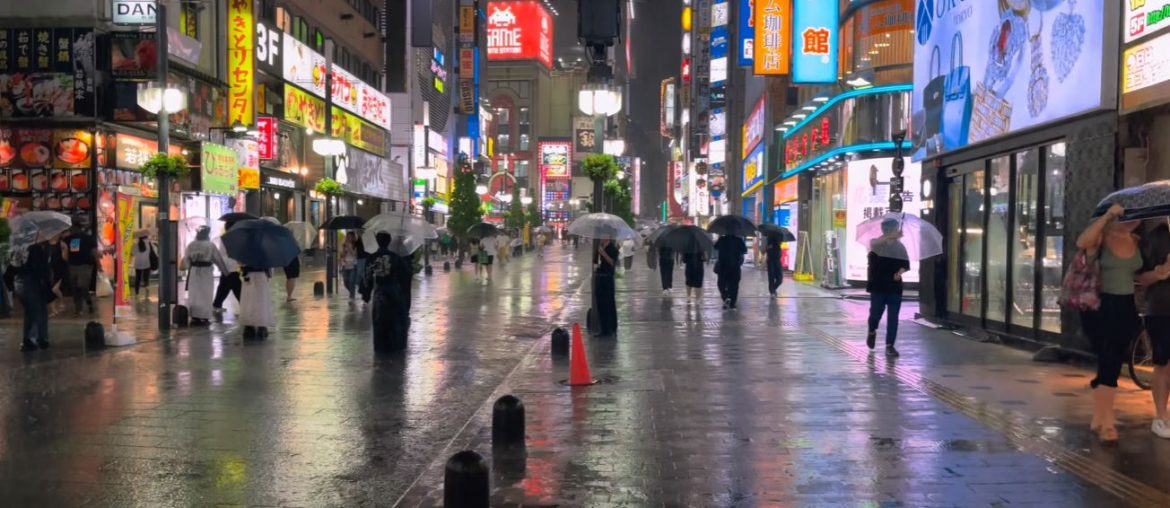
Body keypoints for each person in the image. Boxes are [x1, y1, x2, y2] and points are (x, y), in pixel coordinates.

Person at [1076, 204, 1143, 443]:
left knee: (1113, 361)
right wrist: (1107, 216)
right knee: (1109, 359)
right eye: (1130, 216)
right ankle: (1107, 422)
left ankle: (1099, 417)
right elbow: (1082, 242)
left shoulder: (1136, 240)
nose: (1134, 221)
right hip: (1101, 305)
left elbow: (1138, 275)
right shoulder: (1101, 237)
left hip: (1126, 306)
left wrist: (1159, 273)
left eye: (1138, 218)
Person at [1139, 222, 1170, 439]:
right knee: (1163, 363)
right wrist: (1160, 272)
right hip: (1162, 310)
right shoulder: (1158, 236)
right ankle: (1160, 416)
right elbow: (1141, 278)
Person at [866, 219, 911, 357]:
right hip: (878, 286)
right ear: (887, 230)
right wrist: (889, 237)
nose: (897, 231)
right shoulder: (877, 244)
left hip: (894, 287)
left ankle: (890, 345)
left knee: (893, 317)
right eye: (894, 229)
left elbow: (906, 264)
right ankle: (872, 330)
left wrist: (900, 273)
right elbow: (873, 244)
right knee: (875, 314)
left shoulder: (900, 247)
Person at [363, 231, 412, 352]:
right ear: (389, 241)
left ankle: (380, 345)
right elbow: (406, 275)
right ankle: (397, 344)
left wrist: (367, 293)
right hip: (393, 290)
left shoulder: (372, 257)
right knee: (399, 318)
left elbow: (367, 277)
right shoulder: (396, 258)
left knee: (377, 320)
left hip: (379, 291)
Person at [181, 226, 228, 325]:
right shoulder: (210, 245)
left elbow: (186, 259)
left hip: (193, 271)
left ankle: (195, 316)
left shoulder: (191, 245)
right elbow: (217, 259)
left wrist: (189, 266)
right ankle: (204, 317)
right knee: (206, 293)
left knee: (194, 294)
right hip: (206, 272)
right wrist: (224, 271)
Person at [12, 239, 53, 351]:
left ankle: (35, 338)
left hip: (19, 281)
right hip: (32, 281)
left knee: (32, 310)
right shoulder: (35, 248)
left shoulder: (17, 245)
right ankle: (34, 339)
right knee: (36, 310)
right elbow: (39, 268)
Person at [64, 228, 99, 316]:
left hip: (85, 265)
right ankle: (78, 309)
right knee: (75, 288)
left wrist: (98, 263)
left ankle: (88, 303)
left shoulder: (87, 238)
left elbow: (94, 251)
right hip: (73, 265)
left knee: (82, 285)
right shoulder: (69, 239)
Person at [239, 263, 274, 338]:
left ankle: (249, 325)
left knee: (248, 301)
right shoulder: (265, 251)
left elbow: (240, 263)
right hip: (261, 275)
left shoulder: (244, 252)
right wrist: (269, 275)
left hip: (248, 276)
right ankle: (261, 325)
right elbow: (269, 266)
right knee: (261, 301)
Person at [213, 222, 242, 312]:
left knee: (225, 286)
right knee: (236, 286)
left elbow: (222, 252)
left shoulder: (224, 237)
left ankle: (217, 304)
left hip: (226, 264)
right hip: (231, 265)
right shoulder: (234, 237)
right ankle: (244, 305)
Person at [594, 238, 619, 336]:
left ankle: (610, 328)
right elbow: (595, 261)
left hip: (608, 278)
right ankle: (603, 328)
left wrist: (603, 253)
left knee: (608, 302)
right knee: (600, 303)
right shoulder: (599, 248)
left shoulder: (613, 248)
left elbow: (612, 262)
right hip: (599, 277)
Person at [714, 235, 747, 309]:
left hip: (723, 266)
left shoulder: (722, 239)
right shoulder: (739, 240)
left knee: (721, 284)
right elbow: (745, 250)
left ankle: (725, 297)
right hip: (735, 266)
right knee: (734, 286)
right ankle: (732, 304)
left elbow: (715, 247)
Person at [131, 234, 154, 298]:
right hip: (147, 264)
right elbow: (150, 253)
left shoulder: (135, 245)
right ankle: (147, 293)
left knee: (138, 279)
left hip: (138, 264)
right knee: (146, 279)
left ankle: (137, 292)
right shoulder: (148, 245)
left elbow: (133, 253)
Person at [340, 232, 359, 299]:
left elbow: (356, 255)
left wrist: (350, 249)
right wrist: (344, 252)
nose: (349, 238)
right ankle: (352, 292)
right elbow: (342, 255)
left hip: (353, 266)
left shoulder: (356, 245)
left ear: (353, 237)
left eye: (351, 237)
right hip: (345, 266)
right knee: (346, 282)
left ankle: (352, 296)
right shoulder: (344, 245)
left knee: (351, 281)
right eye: (348, 237)